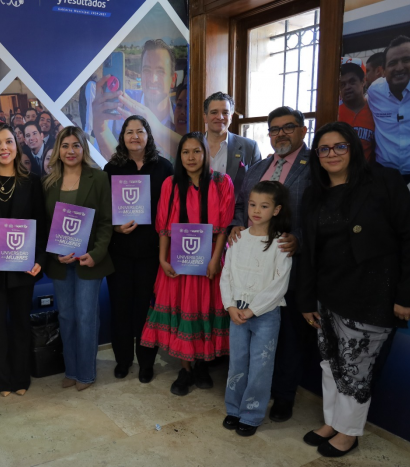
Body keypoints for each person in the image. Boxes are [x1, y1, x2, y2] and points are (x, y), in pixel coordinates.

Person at [297, 121, 410, 457]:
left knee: (356, 367)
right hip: (328, 294)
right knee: (330, 363)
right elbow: (309, 251)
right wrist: (307, 299)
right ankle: (332, 422)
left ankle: (348, 433)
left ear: (353, 147)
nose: (332, 154)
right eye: (323, 148)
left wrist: (407, 296)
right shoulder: (314, 193)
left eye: (340, 146)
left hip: (371, 294)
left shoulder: (384, 181)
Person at [228, 106, 312, 423]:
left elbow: (321, 214)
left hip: (291, 263)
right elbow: (241, 204)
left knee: (288, 337)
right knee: (250, 345)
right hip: (252, 267)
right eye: (274, 129)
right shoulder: (258, 168)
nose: (281, 134)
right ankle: (244, 399)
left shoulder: (315, 167)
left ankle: (283, 397)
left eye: (288, 127)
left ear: (302, 130)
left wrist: (299, 238)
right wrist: (237, 225)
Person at [141, 132, 235, 396]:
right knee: (182, 312)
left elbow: (223, 227)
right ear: (179, 156)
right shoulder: (171, 184)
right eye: (185, 152)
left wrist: (215, 260)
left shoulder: (222, 182)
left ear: (206, 153)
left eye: (196, 151)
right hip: (178, 262)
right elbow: (163, 226)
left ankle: (203, 365)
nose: (191, 157)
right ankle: (185, 369)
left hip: (210, 262)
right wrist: (162, 259)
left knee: (205, 310)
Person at [0, 124, 47, 396]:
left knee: (20, 324)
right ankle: (2, 381)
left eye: (8, 142)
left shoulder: (32, 182)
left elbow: (41, 224)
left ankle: (20, 379)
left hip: (23, 267)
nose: (3, 148)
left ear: (17, 147)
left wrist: (40, 259)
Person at [103, 116, 173, 383]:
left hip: (152, 252)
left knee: (146, 309)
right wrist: (115, 227)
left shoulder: (164, 167)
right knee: (120, 308)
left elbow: (172, 208)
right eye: (129, 132)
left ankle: (146, 362)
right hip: (119, 250)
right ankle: (122, 360)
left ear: (148, 135)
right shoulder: (112, 168)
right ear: (122, 137)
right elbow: (103, 209)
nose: (134, 136)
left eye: (140, 131)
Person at [43, 127, 114, 391]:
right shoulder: (48, 183)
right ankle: (71, 370)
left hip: (88, 261)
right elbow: (45, 225)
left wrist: (96, 254)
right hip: (60, 262)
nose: (70, 151)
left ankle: (86, 373)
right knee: (66, 317)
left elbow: (106, 221)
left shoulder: (99, 178)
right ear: (57, 151)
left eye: (76, 145)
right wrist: (54, 253)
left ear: (83, 149)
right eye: (65, 146)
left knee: (86, 317)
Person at [221, 181, 293, 437]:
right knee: (237, 362)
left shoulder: (281, 243)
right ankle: (233, 409)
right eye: (252, 204)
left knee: (261, 365)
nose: (256, 210)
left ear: (276, 210)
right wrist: (230, 305)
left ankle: (251, 414)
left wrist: (253, 310)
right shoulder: (237, 238)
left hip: (265, 314)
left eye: (264, 206)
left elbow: (279, 284)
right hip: (236, 312)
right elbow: (226, 274)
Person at [92, 39, 181, 161]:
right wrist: (100, 130)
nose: (153, 79)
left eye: (160, 71)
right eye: (147, 70)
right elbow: (105, 162)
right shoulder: (120, 103)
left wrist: (154, 128)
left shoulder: (182, 118)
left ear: (173, 79)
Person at [367, 35, 410, 182]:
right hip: (384, 174)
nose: (399, 67)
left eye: (406, 60)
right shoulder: (375, 91)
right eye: (393, 63)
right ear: (383, 70)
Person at [203, 92, 261, 196]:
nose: (220, 117)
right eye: (214, 112)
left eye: (225, 112)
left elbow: (257, 188)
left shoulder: (250, 147)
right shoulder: (190, 146)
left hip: (235, 206)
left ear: (231, 117)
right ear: (205, 117)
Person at [338, 61, 375, 160]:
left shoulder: (375, 110)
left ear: (363, 81)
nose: (347, 87)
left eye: (352, 82)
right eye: (343, 84)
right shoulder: (334, 113)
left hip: (368, 168)